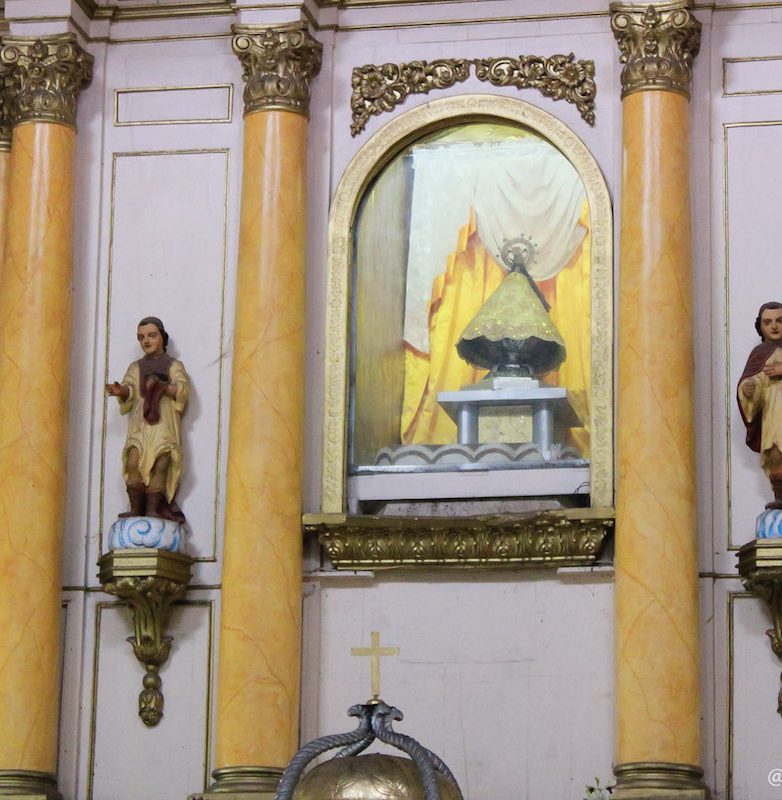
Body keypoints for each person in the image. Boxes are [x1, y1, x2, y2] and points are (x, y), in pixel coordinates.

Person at [106, 317, 190, 521]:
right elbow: (131, 389)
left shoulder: (173, 365)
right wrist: (121, 391)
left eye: (151, 335)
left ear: (162, 337)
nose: (146, 340)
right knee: (133, 460)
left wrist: (162, 386)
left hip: (163, 424)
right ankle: (136, 508)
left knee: (161, 463)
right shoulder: (135, 367)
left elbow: (182, 389)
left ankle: (153, 509)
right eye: (141, 337)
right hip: (140, 425)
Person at [737, 301, 782, 509]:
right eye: (768, 322)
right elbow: (754, 379)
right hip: (773, 413)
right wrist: (749, 388)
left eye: (779, 320)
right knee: (776, 453)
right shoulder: (759, 353)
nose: (774, 326)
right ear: (761, 326)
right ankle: (780, 494)